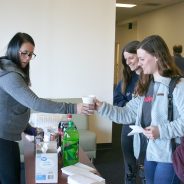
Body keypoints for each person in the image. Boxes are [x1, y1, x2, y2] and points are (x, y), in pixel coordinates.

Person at [0, 32, 94, 184]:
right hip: (3, 137)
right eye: (24, 53)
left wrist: (29, 129)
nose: (28, 58)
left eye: (31, 54)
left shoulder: (9, 70)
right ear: (13, 50)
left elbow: (12, 107)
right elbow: (34, 102)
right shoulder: (10, 75)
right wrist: (73, 108)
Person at [95, 35, 183, 184]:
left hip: (169, 157)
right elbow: (127, 114)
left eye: (142, 59)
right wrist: (101, 107)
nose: (139, 64)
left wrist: (160, 131)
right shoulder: (147, 86)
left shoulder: (178, 86)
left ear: (156, 56)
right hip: (148, 155)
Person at [113, 41, 143, 184]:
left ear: (141, 55)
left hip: (146, 130)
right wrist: (128, 108)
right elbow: (117, 98)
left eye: (130, 58)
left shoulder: (150, 77)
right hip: (128, 127)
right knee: (129, 168)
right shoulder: (126, 79)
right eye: (125, 60)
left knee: (144, 169)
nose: (128, 62)